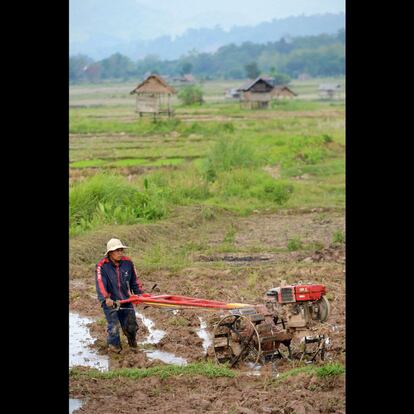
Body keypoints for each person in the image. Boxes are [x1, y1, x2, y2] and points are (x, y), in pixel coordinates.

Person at [95, 238, 143, 353]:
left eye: (121, 250)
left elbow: (134, 281)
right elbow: (100, 283)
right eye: (117, 251)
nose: (120, 253)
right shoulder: (102, 266)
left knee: (131, 325)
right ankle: (114, 349)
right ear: (110, 253)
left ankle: (133, 346)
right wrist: (106, 298)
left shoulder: (128, 263)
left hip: (126, 300)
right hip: (110, 302)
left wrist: (140, 295)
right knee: (114, 326)